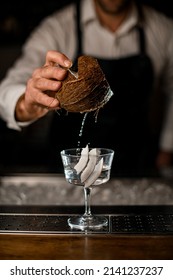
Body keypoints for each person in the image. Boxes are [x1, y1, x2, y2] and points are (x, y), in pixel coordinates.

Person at [0, 0, 173, 177]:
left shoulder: (163, 30)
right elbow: (7, 91)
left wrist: (168, 149)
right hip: (69, 170)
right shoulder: (57, 28)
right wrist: (26, 105)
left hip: (137, 167)